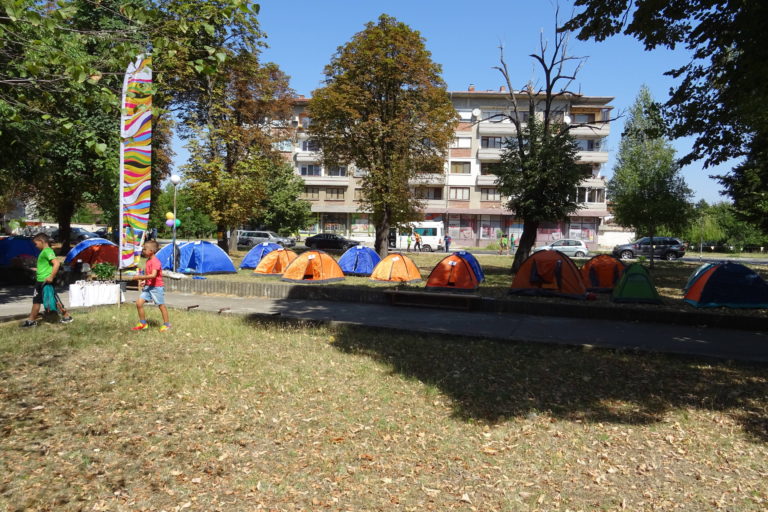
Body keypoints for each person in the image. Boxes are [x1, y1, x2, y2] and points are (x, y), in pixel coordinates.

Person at [21, 233, 73, 327]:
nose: (35, 246)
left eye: (36, 244)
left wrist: (51, 277)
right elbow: (47, 266)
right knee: (46, 299)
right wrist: (37, 270)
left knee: (39, 300)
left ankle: (31, 321)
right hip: (41, 280)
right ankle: (66, 316)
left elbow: (56, 264)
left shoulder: (47, 251)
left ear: (41, 241)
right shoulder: (44, 252)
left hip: (44, 281)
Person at [126, 240, 171, 332]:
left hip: (156, 287)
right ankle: (143, 323)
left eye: (144, 249)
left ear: (151, 251)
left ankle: (167, 324)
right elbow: (149, 276)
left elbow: (153, 275)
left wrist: (139, 277)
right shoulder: (148, 261)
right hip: (148, 286)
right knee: (139, 303)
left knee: (161, 305)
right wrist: (144, 281)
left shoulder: (155, 262)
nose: (143, 251)